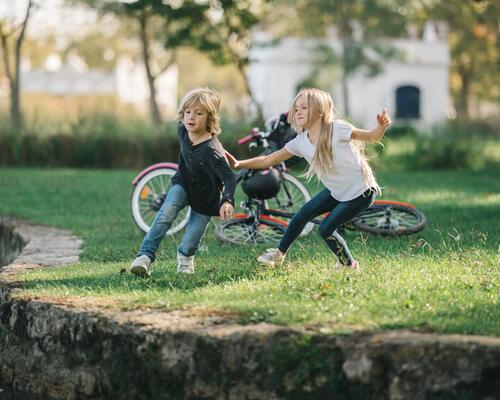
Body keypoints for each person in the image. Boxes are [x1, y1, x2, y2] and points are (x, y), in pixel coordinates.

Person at [225, 88, 391, 269]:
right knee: (302, 215)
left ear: (319, 112)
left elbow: (371, 137)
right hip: (337, 191)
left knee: (326, 228)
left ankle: (349, 265)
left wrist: (381, 127)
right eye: (296, 109)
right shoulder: (300, 142)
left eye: (304, 107)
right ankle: (279, 254)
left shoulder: (338, 129)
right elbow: (268, 160)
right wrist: (238, 164)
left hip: (361, 192)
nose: (298, 112)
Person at [130, 88, 236, 277]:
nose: (191, 117)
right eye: (188, 112)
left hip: (206, 197)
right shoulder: (183, 130)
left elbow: (229, 176)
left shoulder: (213, 151)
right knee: (166, 212)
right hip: (184, 184)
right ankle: (144, 256)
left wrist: (227, 200)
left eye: (198, 113)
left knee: (191, 240)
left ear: (210, 118)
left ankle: (185, 259)